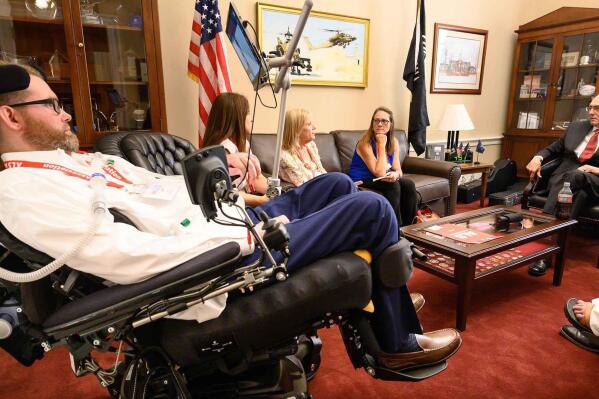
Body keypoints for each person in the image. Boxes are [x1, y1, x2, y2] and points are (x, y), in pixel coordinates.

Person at [0, 64, 460, 371]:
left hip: (221, 222)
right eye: (51, 105)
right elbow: (123, 256)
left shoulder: (81, 162)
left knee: (335, 185)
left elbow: (161, 188)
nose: (64, 114)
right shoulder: (22, 191)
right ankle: (395, 345)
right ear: (10, 116)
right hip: (213, 262)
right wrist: (234, 242)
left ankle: (386, 295)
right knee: (373, 205)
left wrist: (223, 176)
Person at [525, 95, 599, 276]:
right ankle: (550, 252)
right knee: (577, 193)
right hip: (567, 182)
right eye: (590, 107)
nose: (591, 112)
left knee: (575, 178)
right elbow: (553, 148)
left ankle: (541, 239)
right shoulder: (576, 127)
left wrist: (594, 170)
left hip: (595, 181)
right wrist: (538, 157)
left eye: (597, 108)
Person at [348, 106, 418, 227]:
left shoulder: (394, 141)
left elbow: (398, 170)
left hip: (380, 179)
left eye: (384, 121)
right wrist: (381, 145)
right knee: (393, 186)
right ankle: (394, 228)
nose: (379, 124)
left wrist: (395, 174)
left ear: (390, 124)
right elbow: (379, 172)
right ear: (372, 123)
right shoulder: (364, 143)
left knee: (409, 184)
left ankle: (410, 227)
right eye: (376, 120)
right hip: (361, 180)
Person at [202, 92, 269, 206]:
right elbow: (226, 193)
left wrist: (278, 192)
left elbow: (256, 178)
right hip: (238, 210)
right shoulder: (225, 149)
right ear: (236, 118)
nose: (251, 118)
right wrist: (262, 200)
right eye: (247, 113)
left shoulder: (243, 144)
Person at [279, 108, 326, 187]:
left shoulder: (311, 146)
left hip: (324, 186)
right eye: (309, 124)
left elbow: (322, 172)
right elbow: (303, 184)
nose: (314, 127)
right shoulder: (285, 157)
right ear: (296, 130)